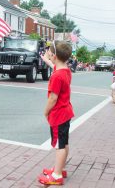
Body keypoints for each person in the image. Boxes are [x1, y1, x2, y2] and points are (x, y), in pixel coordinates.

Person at [38, 41, 74, 186]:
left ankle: (57, 175)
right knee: (64, 143)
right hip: (66, 113)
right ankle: (61, 168)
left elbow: (53, 98)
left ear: (54, 55)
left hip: (58, 114)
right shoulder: (65, 70)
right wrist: (45, 58)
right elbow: (54, 65)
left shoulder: (56, 77)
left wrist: (46, 112)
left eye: (51, 54)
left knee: (59, 145)